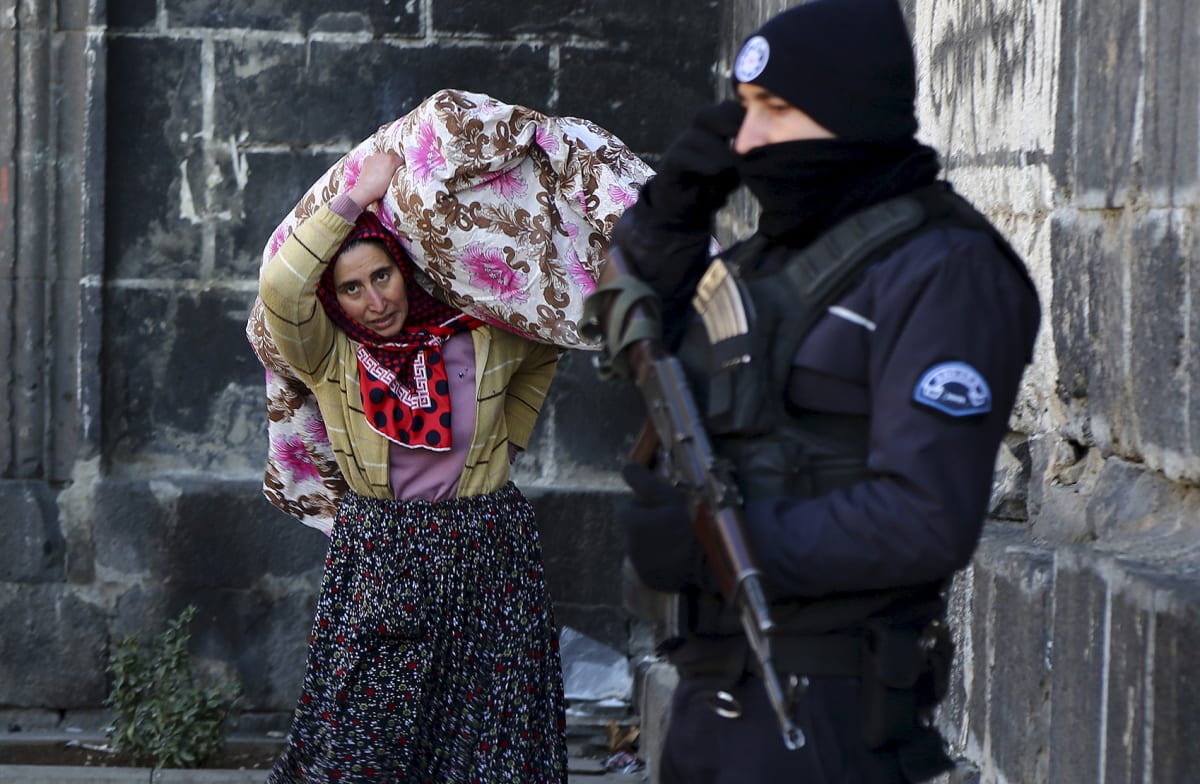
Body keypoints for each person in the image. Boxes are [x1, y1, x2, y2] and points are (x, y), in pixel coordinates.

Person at [605, 0, 1042, 781]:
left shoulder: (943, 268)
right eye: (742, 111)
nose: (746, 141)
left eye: (775, 110)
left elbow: (926, 516)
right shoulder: (757, 263)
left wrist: (714, 551)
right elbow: (630, 335)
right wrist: (667, 217)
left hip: (823, 706)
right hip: (714, 698)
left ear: (847, 113)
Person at [258, 151, 567, 783]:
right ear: (336, 300)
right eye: (352, 288)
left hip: (488, 549)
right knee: (362, 743)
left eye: (382, 276)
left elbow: (548, 338)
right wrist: (354, 198)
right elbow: (281, 291)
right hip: (384, 551)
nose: (374, 300)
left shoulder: (480, 334)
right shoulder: (331, 358)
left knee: (489, 743)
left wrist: (508, 442)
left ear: (406, 270)